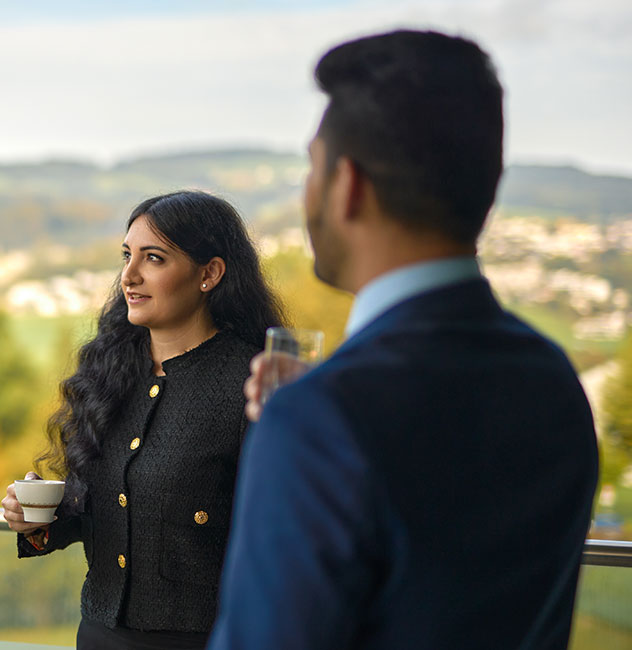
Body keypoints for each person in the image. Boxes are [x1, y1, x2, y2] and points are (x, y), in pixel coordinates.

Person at [207, 30, 599, 649]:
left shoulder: (318, 425)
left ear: (349, 187)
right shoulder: (553, 380)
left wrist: (314, 421)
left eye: (313, 168)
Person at [2, 191, 285, 649]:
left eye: (153, 258)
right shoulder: (107, 375)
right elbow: (96, 504)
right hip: (98, 635)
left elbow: (280, 537)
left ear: (209, 273)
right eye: (127, 256)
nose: (129, 276)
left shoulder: (254, 384)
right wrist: (37, 522)